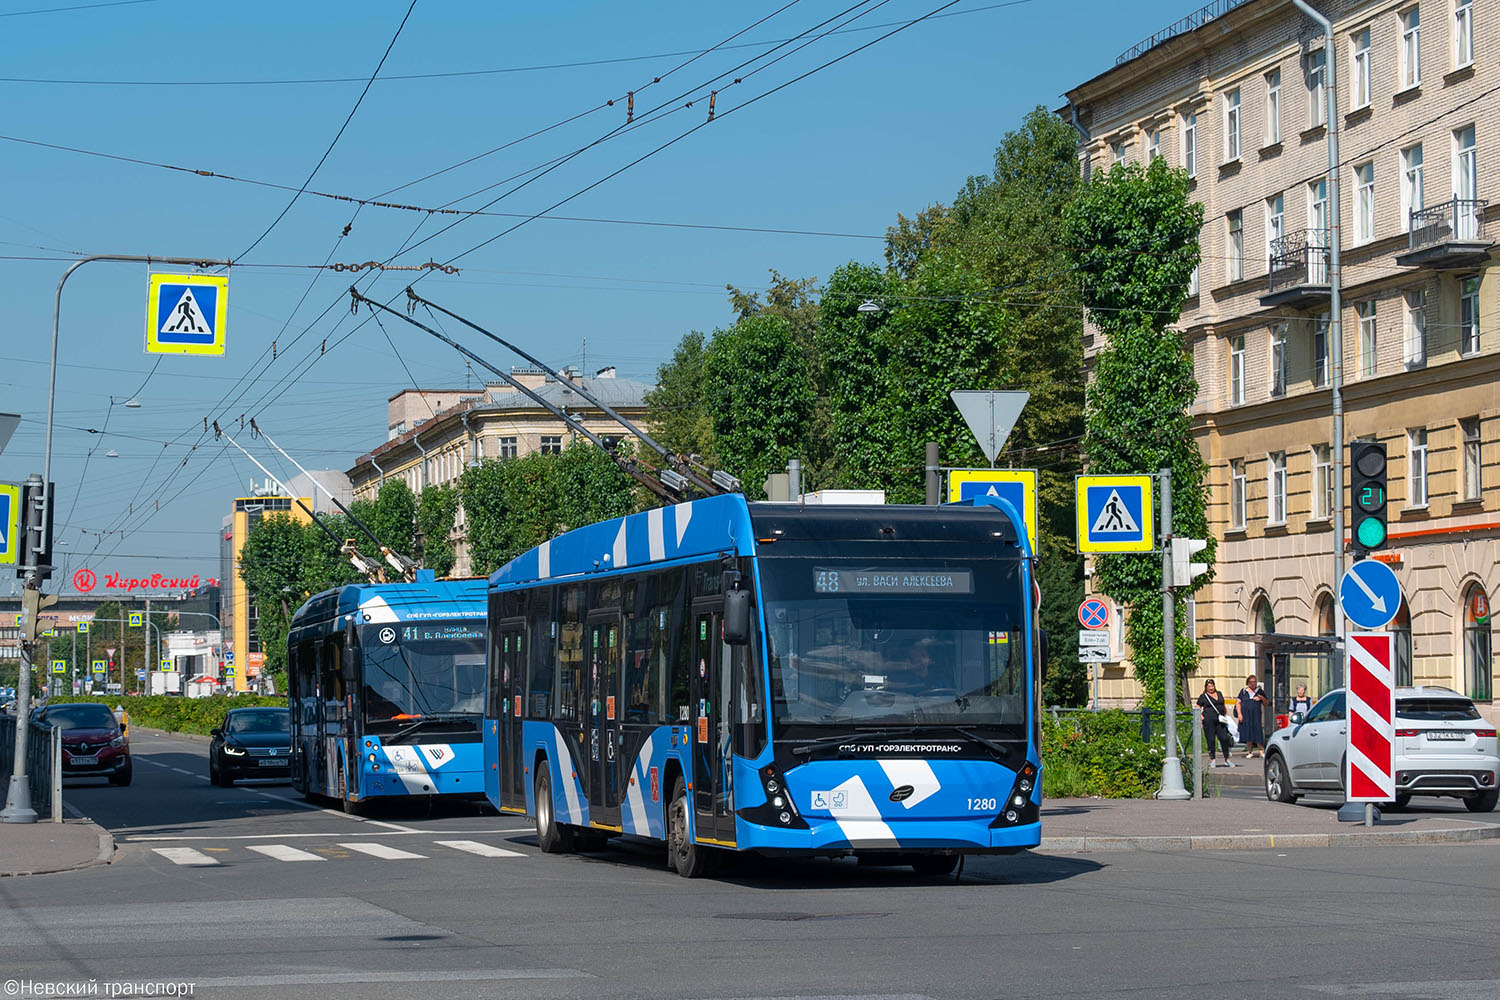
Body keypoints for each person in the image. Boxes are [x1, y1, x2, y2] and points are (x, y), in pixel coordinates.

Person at [1197, 679, 1234, 767]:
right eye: (1209, 686)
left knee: (1224, 738)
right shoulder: (1203, 696)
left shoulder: (1219, 694)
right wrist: (1201, 717)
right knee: (1211, 740)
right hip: (1209, 721)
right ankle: (1213, 759)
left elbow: (1222, 705)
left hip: (1220, 720)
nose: (1211, 688)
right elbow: (1197, 707)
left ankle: (1227, 759)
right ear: (1206, 687)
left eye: (1212, 686)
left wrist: (1226, 715)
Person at [1236, 674, 1270, 757]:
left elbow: (1266, 703)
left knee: (1257, 731)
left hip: (1256, 715)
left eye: (1254, 682)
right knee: (1248, 732)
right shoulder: (1243, 691)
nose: (1253, 684)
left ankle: (1261, 751)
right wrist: (1239, 714)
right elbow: (1238, 703)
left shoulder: (1259, 691)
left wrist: (1261, 698)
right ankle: (1250, 752)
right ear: (1248, 682)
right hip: (1246, 715)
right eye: (1251, 682)